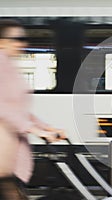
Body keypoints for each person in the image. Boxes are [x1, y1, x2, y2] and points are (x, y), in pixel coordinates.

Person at [0, 19, 66, 200]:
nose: (23, 43)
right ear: (2, 41)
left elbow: (19, 110)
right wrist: (36, 130)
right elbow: (3, 109)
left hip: (9, 154)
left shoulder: (9, 66)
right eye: (17, 38)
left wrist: (46, 128)